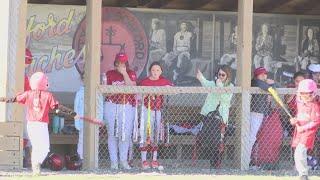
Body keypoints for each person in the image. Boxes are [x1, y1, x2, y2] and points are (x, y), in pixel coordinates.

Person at [0, 72, 72, 176]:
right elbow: (57, 107)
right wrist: (70, 112)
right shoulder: (48, 95)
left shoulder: (28, 93)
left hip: (31, 125)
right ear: (44, 83)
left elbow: (14, 99)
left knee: (36, 146)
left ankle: (35, 165)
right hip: (41, 125)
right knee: (45, 148)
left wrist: (2, 99)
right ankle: (36, 164)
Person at [103, 52, 137, 170]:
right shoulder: (109, 74)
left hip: (126, 106)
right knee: (112, 134)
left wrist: (124, 74)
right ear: (115, 62)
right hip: (112, 105)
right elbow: (106, 92)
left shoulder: (131, 73)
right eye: (119, 62)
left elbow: (131, 90)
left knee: (125, 135)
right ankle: (114, 162)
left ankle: (123, 161)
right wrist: (119, 90)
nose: (121, 64)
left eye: (124, 62)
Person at [138, 61, 173, 169]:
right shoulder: (145, 81)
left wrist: (163, 90)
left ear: (161, 71)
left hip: (157, 110)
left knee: (156, 134)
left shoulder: (164, 81)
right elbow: (139, 96)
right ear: (150, 71)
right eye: (153, 70)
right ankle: (144, 160)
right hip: (146, 110)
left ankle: (154, 159)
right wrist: (148, 94)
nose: (155, 72)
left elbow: (171, 88)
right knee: (145, 133)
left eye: (157, 70)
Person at [290, 79, 320, 180]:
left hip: (308, 133)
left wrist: (303, 128)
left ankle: (303, 174)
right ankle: (302, 173)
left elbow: (316, 122)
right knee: (297, 153)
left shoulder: (314, 106)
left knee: (300, 151)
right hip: (299, 133)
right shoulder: (300, 104)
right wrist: (294, 121)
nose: (306, 97)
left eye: (309, 94)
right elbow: (300, 117)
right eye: (303, 94)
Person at [248, 67, 275, 167]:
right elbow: (267, 87)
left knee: (254, 138)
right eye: (261, 74)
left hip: (261, 114)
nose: (264, 76)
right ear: (256, 75)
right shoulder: (255, 81)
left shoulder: (263, 83)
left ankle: (250, 161)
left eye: (265, 74)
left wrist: (272, 85)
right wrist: (271, 84)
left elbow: (274, 88)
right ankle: (245, 162)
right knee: (251, 137)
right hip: (254, 113)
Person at [73, 74, 103, 162]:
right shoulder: (79, 93)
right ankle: (81, 158)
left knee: (94, 139)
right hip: (83, 121)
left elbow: (100, 106)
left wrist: (100, 119)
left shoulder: (97, 92)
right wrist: (77, 122)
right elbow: (76, 108)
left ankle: (94, 158)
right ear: (82, 80)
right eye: (84, 79)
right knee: (82, 140)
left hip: (94, 121)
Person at [284, 71, 306, 137]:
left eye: (301, 82)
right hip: (292, 115)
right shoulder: (290, 87)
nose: (299, 83)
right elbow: (287, 101)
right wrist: (295, 91)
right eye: (297, 81)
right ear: (294, 81)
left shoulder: (307, 90)